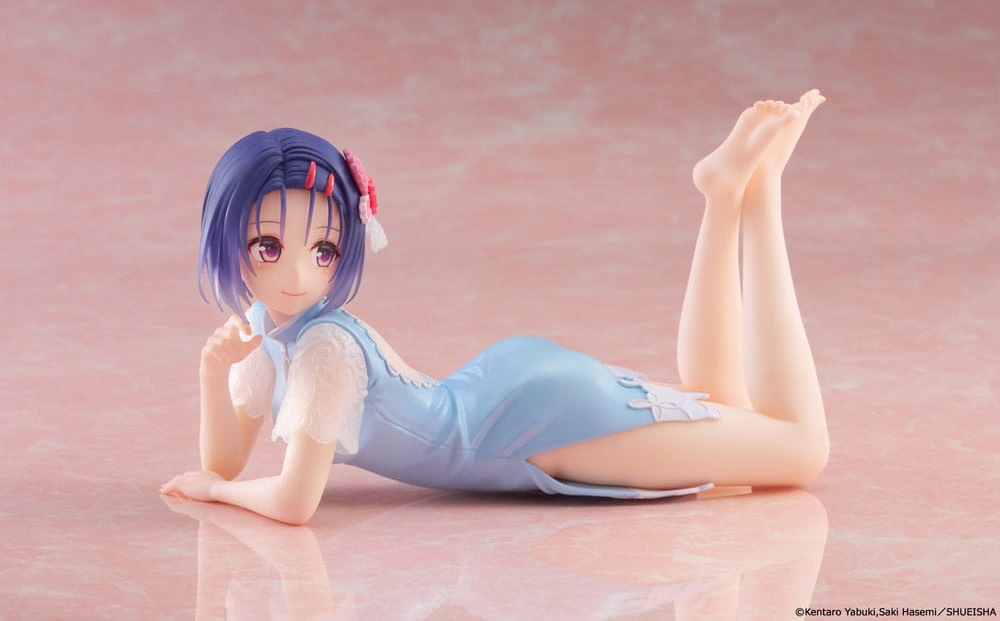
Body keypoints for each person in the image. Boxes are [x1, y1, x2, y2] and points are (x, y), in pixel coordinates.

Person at [161, 89, 830, 525]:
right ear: (229, 242)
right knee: (720, 404)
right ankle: (723, 195)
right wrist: (212, 377)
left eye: (324, 250)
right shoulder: (270, 333)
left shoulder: (323, 350)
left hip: (532, 427)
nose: (298, 274)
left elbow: (292, 501)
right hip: (503, 393)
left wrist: (216, 494)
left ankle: (762, 189)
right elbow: (224, 458)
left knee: (799, 449)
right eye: (269, 246)